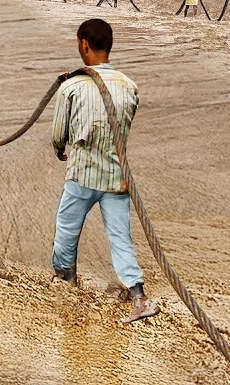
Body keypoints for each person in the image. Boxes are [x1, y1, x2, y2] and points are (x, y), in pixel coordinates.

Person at [51, 18, 157, 324]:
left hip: (82, 173)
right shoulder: (129, 86)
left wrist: (59, 148)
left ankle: (65, 281)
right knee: (120, 236)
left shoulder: (71, 86)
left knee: (67, 230)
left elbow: (59, 134)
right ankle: (138, 296)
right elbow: (122, 130)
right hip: (116, 175)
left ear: (84, 45)